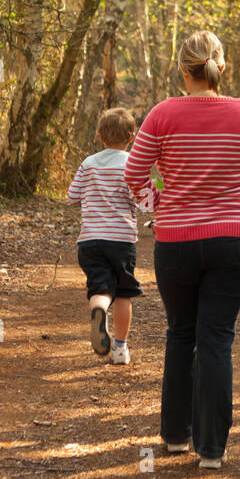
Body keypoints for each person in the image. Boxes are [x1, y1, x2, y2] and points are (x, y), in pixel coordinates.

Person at [125, 30, 240, 470]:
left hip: (176, 243)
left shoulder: (161, 115)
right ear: (222, 66)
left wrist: (161, 205)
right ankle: (211, 449)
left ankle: (177, 436)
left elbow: (133, 175)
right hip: (233, 242)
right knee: (216, 339)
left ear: (183, 70)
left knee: (180, 334)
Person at [67, 107, 152, 366]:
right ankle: (119, 348)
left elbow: (72, 196)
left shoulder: (88, 163)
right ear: (132, 137)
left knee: (100, 287)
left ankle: (99, 310)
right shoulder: (131, 164)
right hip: (121, 240)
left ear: (99, 136)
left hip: (90, 240)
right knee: (124, 294)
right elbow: (142, 202)